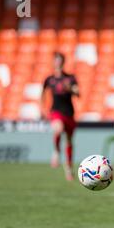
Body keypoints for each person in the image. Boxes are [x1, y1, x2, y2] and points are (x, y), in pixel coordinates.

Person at [41, 52, 79, 181]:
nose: (58, 63)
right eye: (56, 60)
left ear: (63, 62)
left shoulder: (70, 78)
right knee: (57, 129)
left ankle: (68, 169)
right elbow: (43, 93)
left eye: (60, 60)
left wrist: (71, 89)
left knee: (69, 141)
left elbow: (78, 93)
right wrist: (42, 109)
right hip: (56, 111)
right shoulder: (49, 79)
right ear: (54, 62)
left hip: (69, 112)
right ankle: (56, 151)